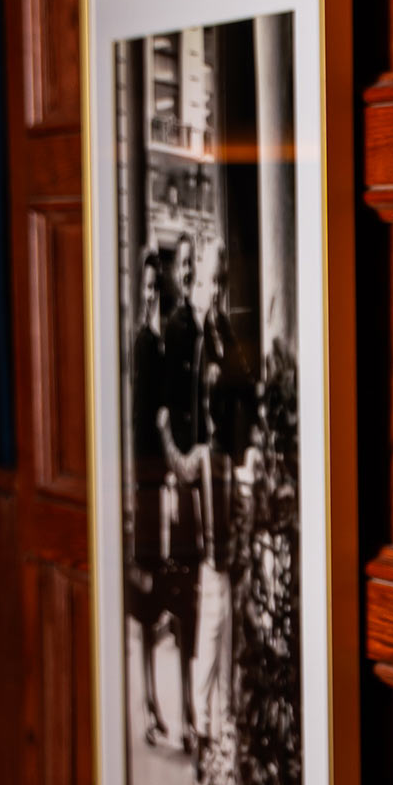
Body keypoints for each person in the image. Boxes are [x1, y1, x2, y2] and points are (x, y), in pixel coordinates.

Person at [192, 238, 256, 753]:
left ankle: (222, 713)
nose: (216, 290)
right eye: (211, 280)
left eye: (222, 282)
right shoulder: (199, 339)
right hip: (210, 474)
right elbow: (193, 411)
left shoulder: (223, 335)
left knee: (228, 595)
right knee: (214, 598)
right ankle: (204, 714)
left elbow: (245, 395)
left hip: (228, 470)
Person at [154, 230, 203, 748]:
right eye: (184, 265)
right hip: (182, 485)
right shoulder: (174, 327)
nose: (188, 272)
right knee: (184, 598)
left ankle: (199, 710)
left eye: (194, 264)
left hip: (203, 483)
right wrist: (178, 467)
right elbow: (164, 418)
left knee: (200, 595)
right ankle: (187, 712)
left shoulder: (204, 325)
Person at [127, 249, 171, 745]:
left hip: (157, 486)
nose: (150, 294)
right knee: (143, 601)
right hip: (144, 486)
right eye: (146, 286)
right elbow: (143, 419)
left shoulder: (156, 344)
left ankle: (151, 704)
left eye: (155, 288)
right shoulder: (143, 343)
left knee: (156, 596)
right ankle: (146, 706)